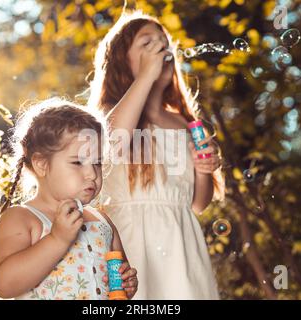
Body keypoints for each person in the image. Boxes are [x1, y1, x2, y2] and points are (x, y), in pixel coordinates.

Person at [88, 11, 225, 299]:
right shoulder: (109, 116)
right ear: (121, 61)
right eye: (147, 43)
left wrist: (204, 169)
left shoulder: (183, 123)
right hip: (130, 244)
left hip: (181, 246)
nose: (162, 48)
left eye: (164, 42)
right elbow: (113, 140)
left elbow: (198, 203)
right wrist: (147, 75)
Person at [0, 98, 138, 300]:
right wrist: (57, 239)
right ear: (41, 164)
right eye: (78, 162)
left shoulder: (101, 222)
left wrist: (125, 285)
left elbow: (115, 283)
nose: (92, 174)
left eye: (98, 163)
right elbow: (3, 285)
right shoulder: (21, 219)